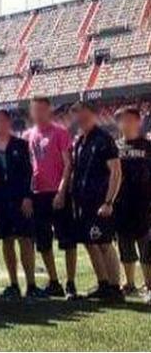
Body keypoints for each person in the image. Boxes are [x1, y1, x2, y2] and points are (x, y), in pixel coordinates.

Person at [0, 110, 44, 300]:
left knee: (25, 240)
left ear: (9, 123)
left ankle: (31, 284)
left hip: (20, 200)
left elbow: (29, 173)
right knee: (7, 241)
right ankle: (13, 285)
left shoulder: (21, 144)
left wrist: (28, 197)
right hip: (0, 202)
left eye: (4, 121)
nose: (0, 124)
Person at [23, 96, 78, 299]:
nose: (37, 113)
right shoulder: (28, 135)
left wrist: (62, 191)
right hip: (38, 194)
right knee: (44, 241)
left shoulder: (60, 132)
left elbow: (68, 165)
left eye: (41, 109)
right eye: (34, 110)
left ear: (49, 110)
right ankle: (54, 281)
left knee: (67, 239)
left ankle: (71, 282)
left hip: (58, 192)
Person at [70, 101, 123, 301]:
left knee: (104, 243)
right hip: (83, 204)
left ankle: (115, 287)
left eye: (83, 114)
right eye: (77, 116)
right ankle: (103, 284)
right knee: (90, 242)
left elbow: (116, 172)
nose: (80, 119)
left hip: (100, 202)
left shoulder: (104, 139)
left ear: (93, 115)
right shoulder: (80, 141)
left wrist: (109, 201)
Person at [113, 106, 150, 303]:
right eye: (120, 120)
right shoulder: (116, 146)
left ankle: (149, 285)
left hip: (144, 204)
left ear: (138, 121)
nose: (123, 124)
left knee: (147, 247)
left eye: (127, 119)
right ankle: (129, 284)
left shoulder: (147, 146)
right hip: (121, 205)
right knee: (125, 246)